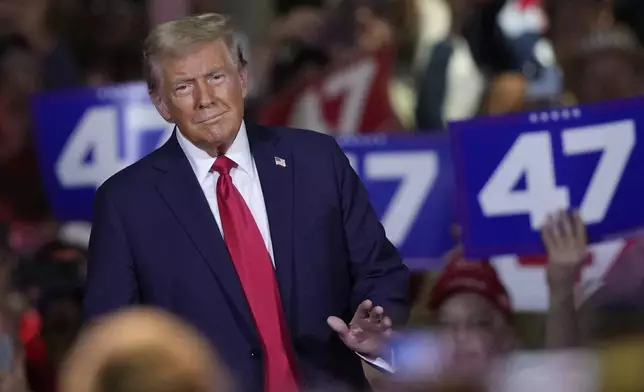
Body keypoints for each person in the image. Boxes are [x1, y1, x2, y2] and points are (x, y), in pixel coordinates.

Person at [84, 13, 410, 392]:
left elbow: (380, 271)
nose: (206, 99)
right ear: (161, 104)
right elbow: (113, 339)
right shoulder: (126, 202)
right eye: (185, 87)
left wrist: (375, 330)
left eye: (216, 77)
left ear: (242, 78)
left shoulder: (317, 162)